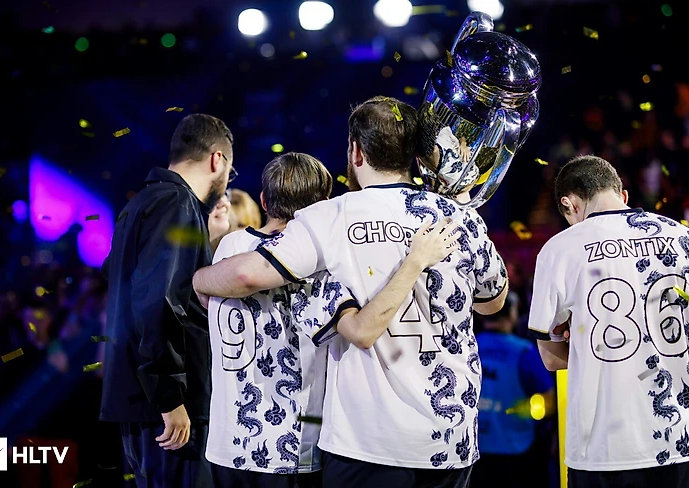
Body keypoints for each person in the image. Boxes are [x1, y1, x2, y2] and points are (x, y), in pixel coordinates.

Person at [193, 97, 508, 488]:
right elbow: (493, 303)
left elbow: (246, 275)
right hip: (450, 436)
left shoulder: (331, 216)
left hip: (369, 441)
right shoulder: (461, 217)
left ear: (356, 151)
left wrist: (199, 280)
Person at [529, 155, 689, 487]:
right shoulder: (680, 236)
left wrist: (583, 342)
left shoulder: (561, 248)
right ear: (623, 195)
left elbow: (550, 359)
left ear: (569, 204)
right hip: (678, 440)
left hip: (604, 448)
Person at [101, 113, 235, 488]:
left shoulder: (140, 203)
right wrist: (169, 397)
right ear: (217, 160)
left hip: (141, 401)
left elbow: (115, 275)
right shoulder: (177, 203)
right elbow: (157, 301)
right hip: (167, 408)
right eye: (230, 170)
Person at [471, 292, 555, 488]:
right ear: (511, 315)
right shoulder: (523, 352)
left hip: (475, 446)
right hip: (515, 445)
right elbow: (548, 401)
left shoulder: (469, 346)